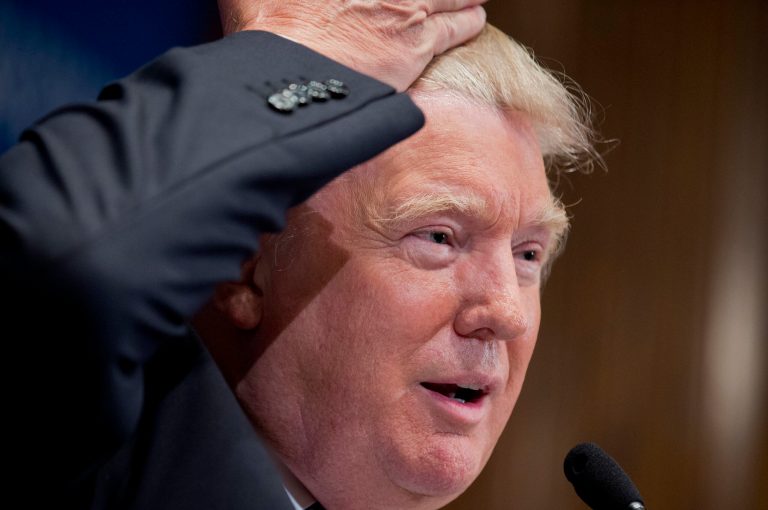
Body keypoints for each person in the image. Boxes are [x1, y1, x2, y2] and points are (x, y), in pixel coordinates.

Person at [0, 1, 595, 509]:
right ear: (244, 268)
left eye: (527, 254)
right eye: (439, 238)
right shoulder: (79, 459)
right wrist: (288, 57)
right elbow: (64, 263)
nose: (507, 313)